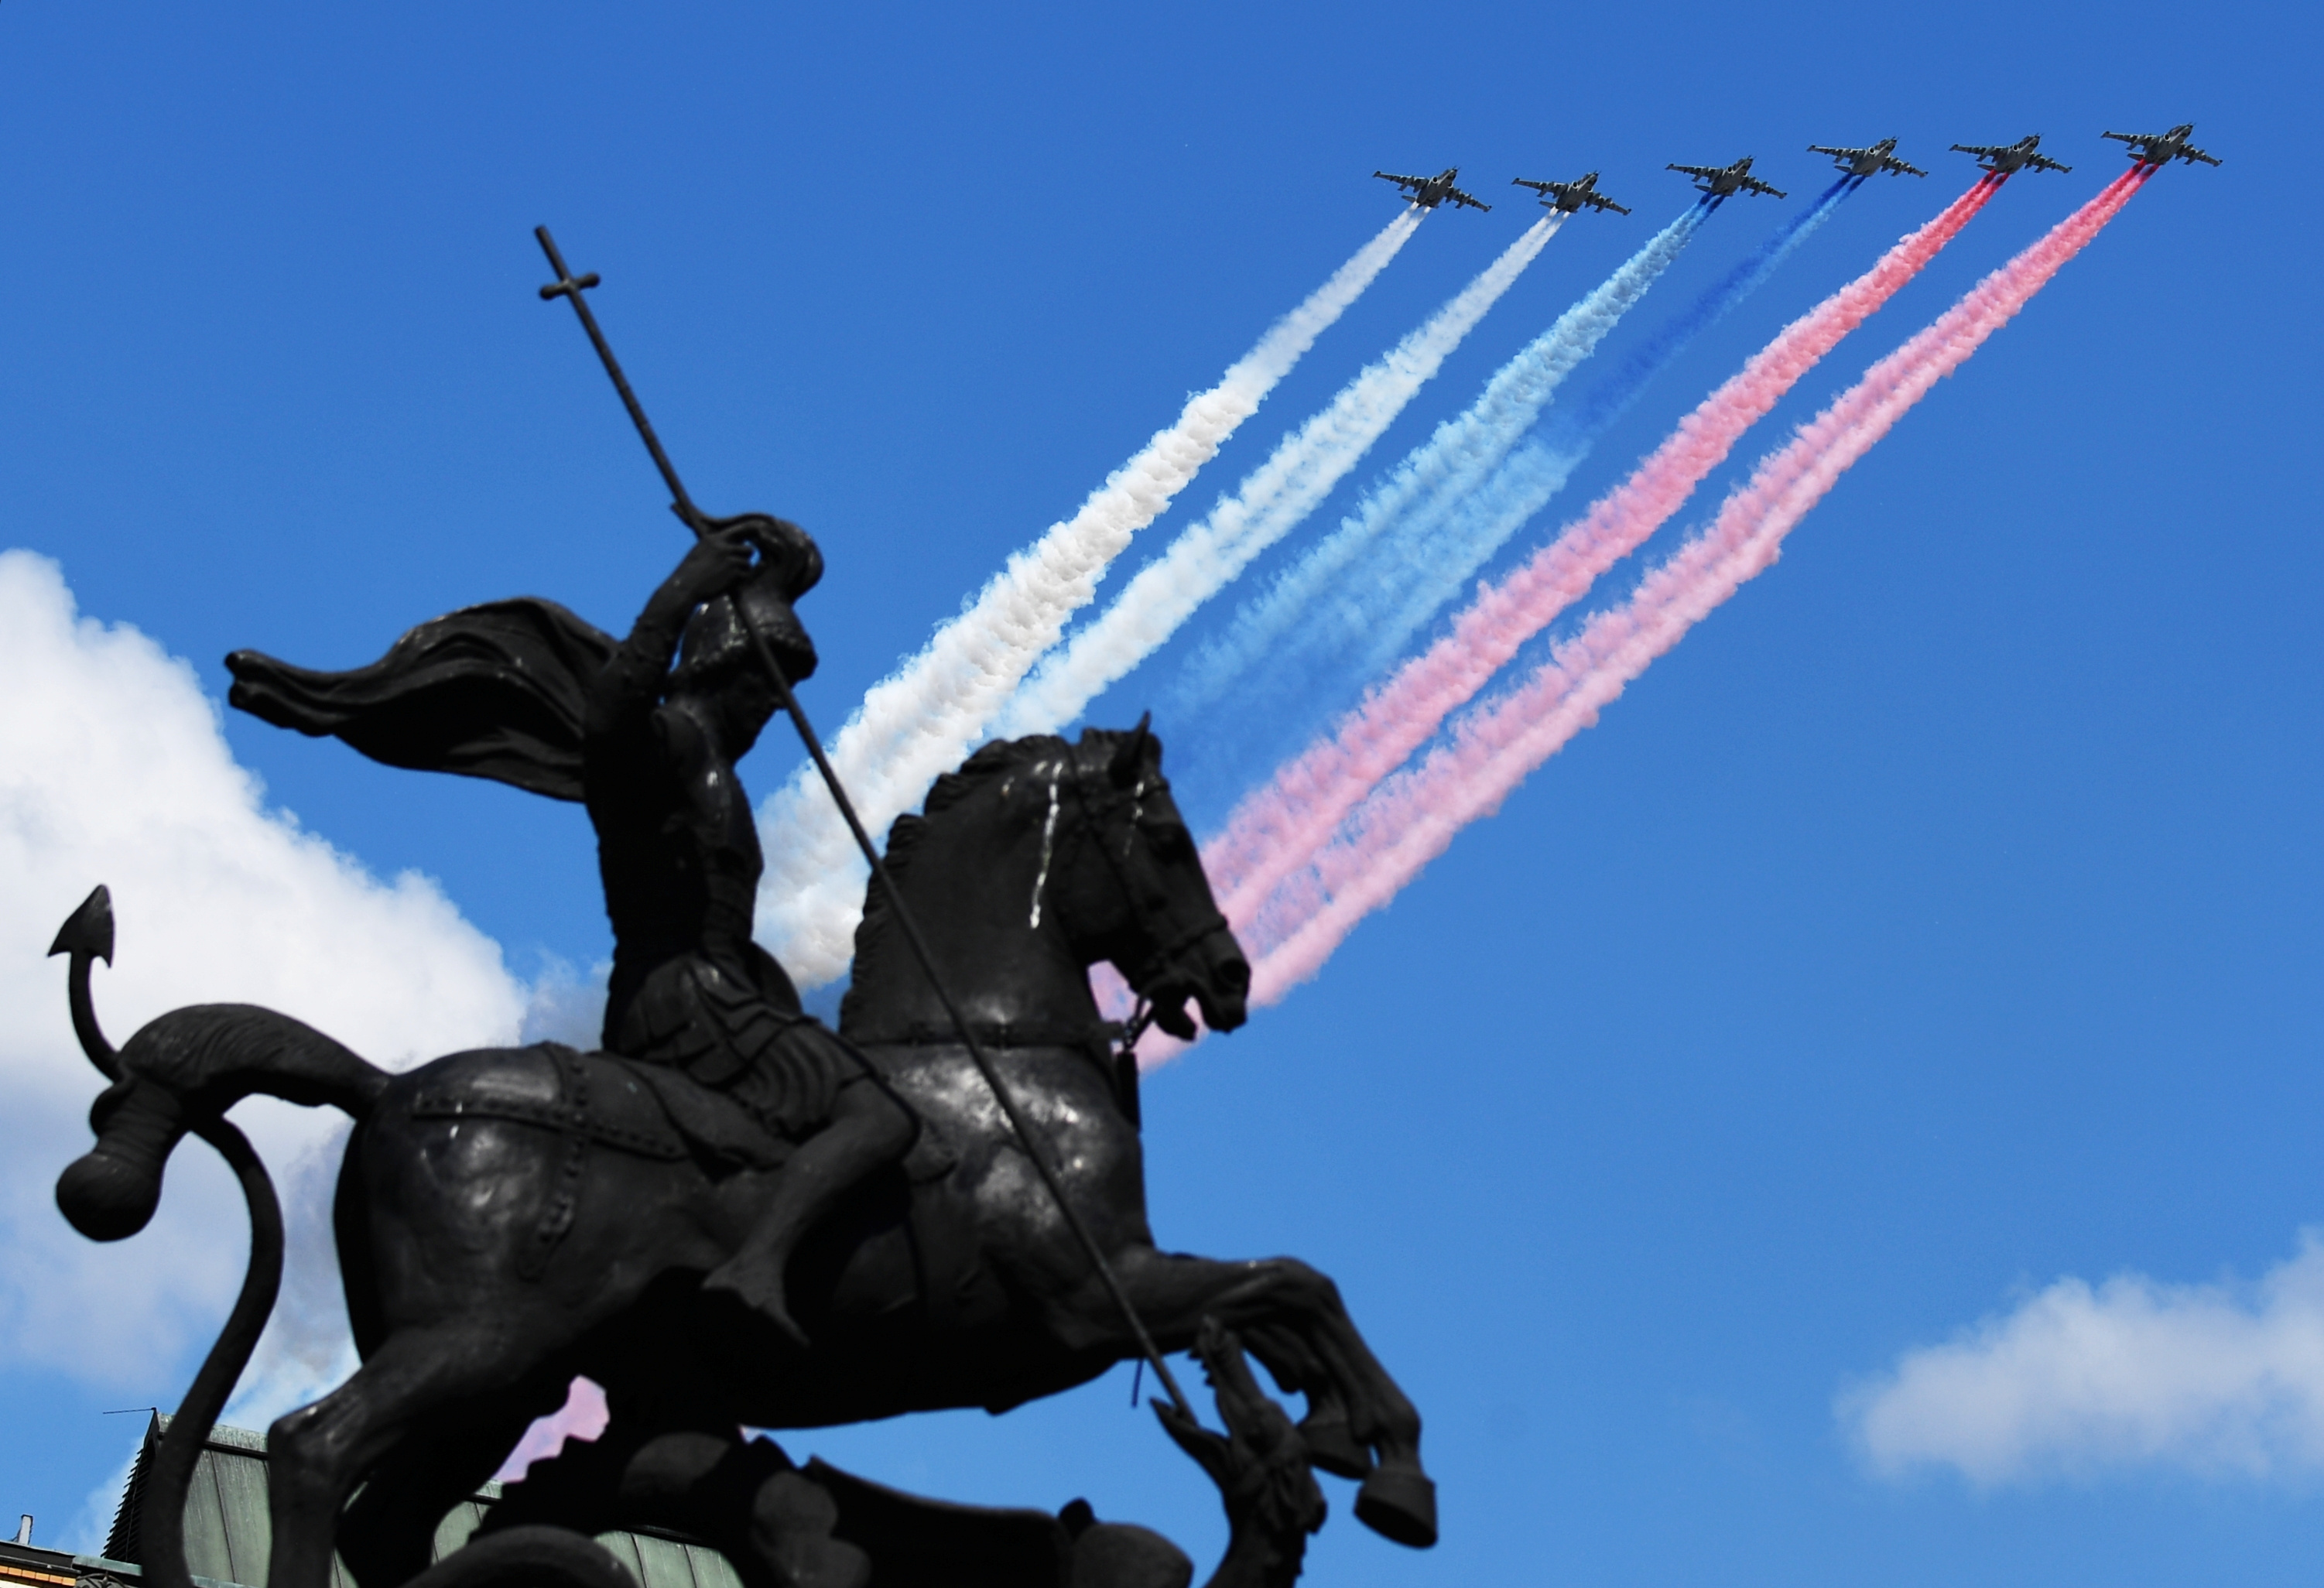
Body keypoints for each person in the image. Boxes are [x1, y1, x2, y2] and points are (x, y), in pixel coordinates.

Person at [584, 513, 913, 1345]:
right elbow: (608, 721)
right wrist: (681, 591)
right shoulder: (665, 748)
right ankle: (756, 1265)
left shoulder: (720, 773)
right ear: (722, 666)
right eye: (763, 685)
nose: (773, 706)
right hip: (681, 1003)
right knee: (877, 1117)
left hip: (726, 992)